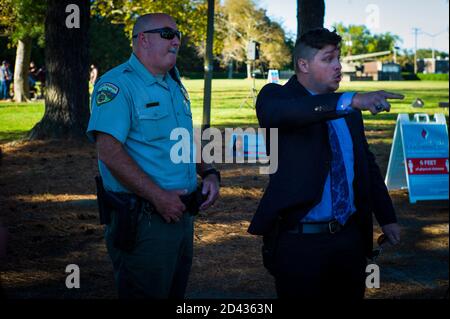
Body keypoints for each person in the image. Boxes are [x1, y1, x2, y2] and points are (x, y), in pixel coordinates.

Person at [248, 28, 402, 299]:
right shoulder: (277, 97)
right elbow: (285, 113)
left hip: (349, 238)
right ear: (303, 65)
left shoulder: (350, 112)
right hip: (299, 242)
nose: (338, 66)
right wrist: (349, 100)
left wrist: (387, 217)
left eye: (339, 58)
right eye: (329, 59)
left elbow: (366, 166)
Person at [86, 13, 220, 299]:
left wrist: (208, 172)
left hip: (181, 217)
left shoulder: (173, 84)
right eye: (168, 34)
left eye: (178, 34)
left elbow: (184, 137)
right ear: (142, 40)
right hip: (144, 222)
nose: (177, 40)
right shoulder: (117, 85)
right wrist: (158, 196)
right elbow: (108, 152)